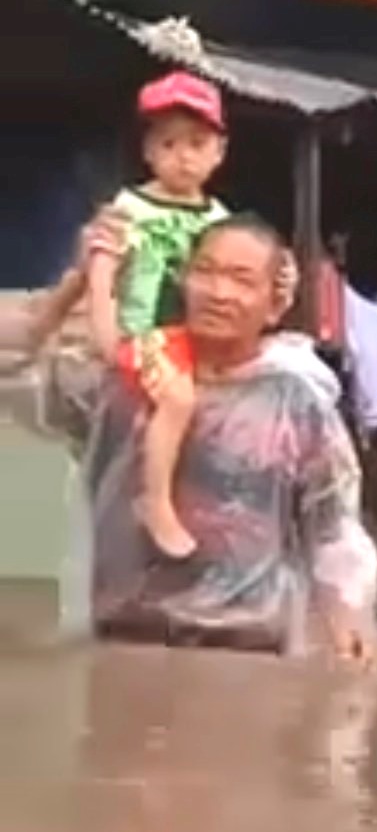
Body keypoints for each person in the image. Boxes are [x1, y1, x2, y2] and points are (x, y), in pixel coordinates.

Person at [21, 213, 377, 660]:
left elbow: (333, 527)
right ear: (184, 281)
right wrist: (81, 280)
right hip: (122, 643)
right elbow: (16, 369)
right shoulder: (123, 382)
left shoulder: (295, 403)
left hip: (246, 652)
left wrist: (348, 622)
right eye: (205, 272)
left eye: (242, 279)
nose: (219, 293)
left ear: (274, 303)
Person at [86, 72, 231, 564]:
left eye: (197, 143)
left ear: (219, 152)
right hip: (145, 333)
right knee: (178, 398)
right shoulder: (129, 208)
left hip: (198, 340)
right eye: (169, 144)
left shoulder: (218, 220)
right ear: (148, 151)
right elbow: (102, 271)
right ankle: (155, 501)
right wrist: (108, 336)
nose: (184, 156)